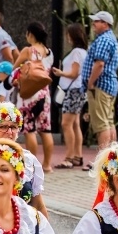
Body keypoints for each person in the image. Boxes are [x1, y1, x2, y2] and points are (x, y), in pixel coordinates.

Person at [14, 21, 55, 172]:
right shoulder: (49, 52)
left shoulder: (28, 51)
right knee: (45, 129)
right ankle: (47, 165)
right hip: (44, 94)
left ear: (30, 34)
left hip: (29, 95)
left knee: (29, 129)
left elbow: (15, 67)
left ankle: (32, 165)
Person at [81, 11, 118, 154]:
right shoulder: (111, 39)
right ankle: (111, 156)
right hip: (108, 85)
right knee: (108, 121)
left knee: (101, 124)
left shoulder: (103, 39)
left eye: (96, 21)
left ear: (105, 24)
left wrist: (90, 83)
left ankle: (103, 159)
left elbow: (99, 64)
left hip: (100, 86)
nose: (93, 24)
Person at [53, 23, 89, 169]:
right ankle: (77, 155)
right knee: (75, 124)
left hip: (73, 90)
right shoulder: (84, 52)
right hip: (79, 90)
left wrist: (61, 73)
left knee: (66, 123)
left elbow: (74, 73)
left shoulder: (76, 53)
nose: (67, 37)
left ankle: (69, 156)